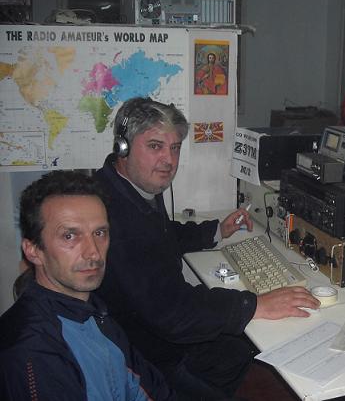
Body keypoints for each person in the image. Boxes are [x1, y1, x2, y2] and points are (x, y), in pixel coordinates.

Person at [95, 97, 319, 400]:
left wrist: (214, 231)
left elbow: (160, 235)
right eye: (155, 146)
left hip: (153, 333)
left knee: (239, 351)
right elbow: (173, 313)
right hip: (147, 358)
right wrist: (255, 305)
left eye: (175, 148)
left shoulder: (130, 188)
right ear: (123, 147)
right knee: (239, 345)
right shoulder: (112, 217)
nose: (169, 160)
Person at [0, 170, 175, 401]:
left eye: (99, 233)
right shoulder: (32, 350)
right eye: (70, 236)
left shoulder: (90, 310)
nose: (93, 252)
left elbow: (147, 386)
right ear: (33, 251)